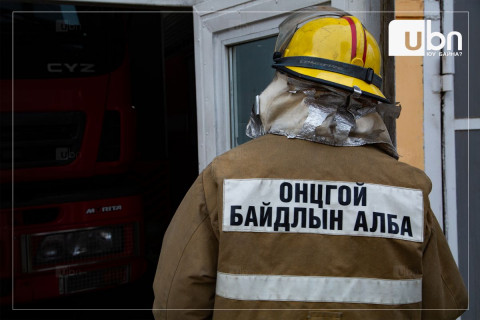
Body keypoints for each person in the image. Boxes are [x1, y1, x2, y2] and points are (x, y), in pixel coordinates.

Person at [153, 6, 468, 320]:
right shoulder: (408, 189)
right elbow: (447, 305)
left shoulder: (225, 177)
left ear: (286, 80)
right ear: (369, 99)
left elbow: (175, 305)